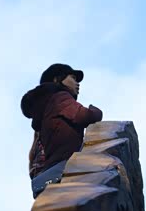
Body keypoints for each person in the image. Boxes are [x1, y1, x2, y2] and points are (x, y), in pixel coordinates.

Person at [21, 63, 103, 198]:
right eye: (73, 78)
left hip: (48, 176)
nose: (78, 83)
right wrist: (95, 110)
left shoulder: (42, 113)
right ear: (56, 79)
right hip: (66, 169)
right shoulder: (59, 97)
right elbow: (87, 116)